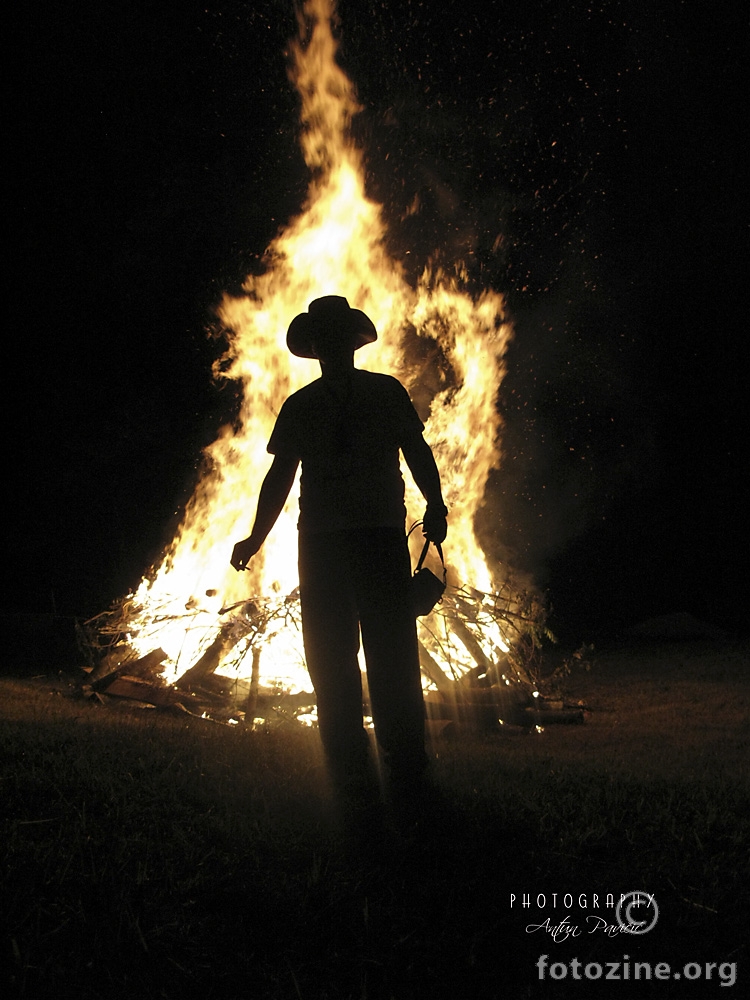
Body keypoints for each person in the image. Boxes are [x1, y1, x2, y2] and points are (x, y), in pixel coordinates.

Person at [231, 295, 447, 826]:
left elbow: (417, 453)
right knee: (365, 661)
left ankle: (373, 774)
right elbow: (280, 480)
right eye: (326, 342)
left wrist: (437, 503)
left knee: (357, 662)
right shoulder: (343, 400)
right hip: (353, 545)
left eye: (333, 341)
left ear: (340, 346)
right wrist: (255, 537)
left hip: (344, 545)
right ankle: (386, 774)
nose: (331, 349)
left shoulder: (318, 403)